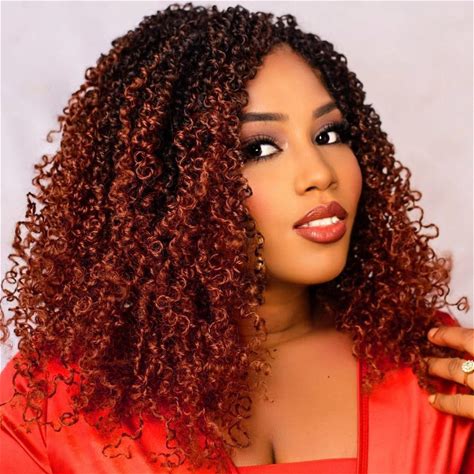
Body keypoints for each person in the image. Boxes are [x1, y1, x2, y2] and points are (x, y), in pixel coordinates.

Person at [0, 3, 472, 473]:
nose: (319, 174)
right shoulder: (46, 406)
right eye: (259, 148)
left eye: (329, 135)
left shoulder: (436, 366)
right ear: (165, 187)